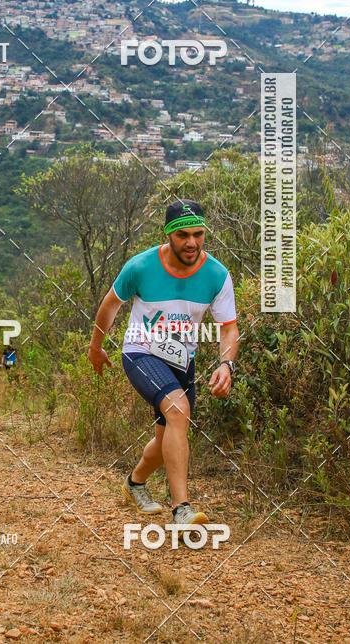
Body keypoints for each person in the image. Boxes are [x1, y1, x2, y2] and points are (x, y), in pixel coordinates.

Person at [88, 200, 239, 527]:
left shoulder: (216, 274)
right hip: (141, 351)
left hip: (183, 360)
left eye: (198, 234)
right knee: (178, 410)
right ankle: (181, 509)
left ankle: (134, 483)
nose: (192, 243)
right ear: (168, 234)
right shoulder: (140, 267)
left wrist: (226, 364)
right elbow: (111, 305)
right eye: (183, 235)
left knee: (169, 432)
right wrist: (96, 347)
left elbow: (228, 327)